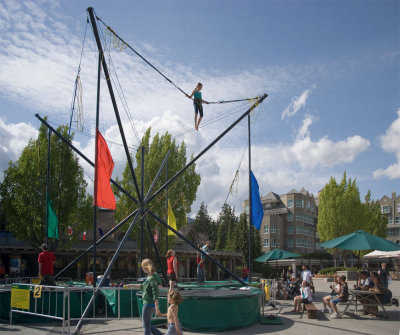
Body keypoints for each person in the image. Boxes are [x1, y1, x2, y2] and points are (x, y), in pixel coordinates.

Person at [140, 258, 163, 335]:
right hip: (149, 303)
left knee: (146, 326)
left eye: (142, 267)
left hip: (149, 303)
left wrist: (157, 306)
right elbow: (142, 286)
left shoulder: (152, 278)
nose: (142, 268)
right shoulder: (150, 277)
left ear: (146, 267)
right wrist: (130, 286)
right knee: (147, 324)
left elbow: (155, 292)